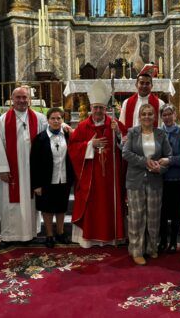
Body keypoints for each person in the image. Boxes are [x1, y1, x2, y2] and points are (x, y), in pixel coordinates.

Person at [69, 80, 127, 247]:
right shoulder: (82, 127)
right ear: (91, 108)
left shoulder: (115, 125)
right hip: (91, 177)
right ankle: (90, 238)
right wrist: (89, 145)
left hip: (111, 177)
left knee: (109, 203)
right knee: (92, 205)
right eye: (95, 108)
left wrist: (118, 134)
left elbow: (126, 145)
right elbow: (73, 148)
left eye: (101, 108)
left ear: (106, 108)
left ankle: (112, 237)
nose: (98, 111)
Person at [0, 86, 48, 247]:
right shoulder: (3, 121)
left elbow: (48, 138)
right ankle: (9, 236)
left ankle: (31, 233)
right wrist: (2, 169)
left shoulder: (40, 119)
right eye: (18, 97)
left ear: (29, 99)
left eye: (24, 97)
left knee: (31, 203)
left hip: (32, 170)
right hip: (11, 170)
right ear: (12, 99)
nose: (22, 100)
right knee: (10, 205)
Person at [122, 104, 172, 265]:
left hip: (155, 180)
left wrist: (160, 168)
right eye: (144, 114)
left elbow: (168, 156)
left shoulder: (161, 134)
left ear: (154, 116)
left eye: (150, 114)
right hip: (135, 180)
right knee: (136, 217)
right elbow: (125, 153)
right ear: (139, 116)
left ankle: (151, 247)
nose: (147, 117)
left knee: (153, 217)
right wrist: (145, 162)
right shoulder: (132, 132)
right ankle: (136, 250)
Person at [31, 108, 75, 248]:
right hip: (46, 180)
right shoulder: (40, 138)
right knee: (47, 208)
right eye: (53, 118)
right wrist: (36, 184)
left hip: (64, 178)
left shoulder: (68, 136)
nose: (56, 121)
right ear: (48, 120)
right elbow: (34, 163)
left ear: (63, 120)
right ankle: (49, 235)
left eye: (59, 118)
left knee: (61, 207)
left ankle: (60, 233)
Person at [158, 104, 180, 253]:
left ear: (175, 115)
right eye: (164, 115)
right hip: (161, 179)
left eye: (170, 114)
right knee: (162, 212)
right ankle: (163, 241)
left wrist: (169, 160)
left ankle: (174, 242)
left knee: (176, 212)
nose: (167, 117)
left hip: (177, 178)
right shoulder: (157, 132)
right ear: (161, 117)